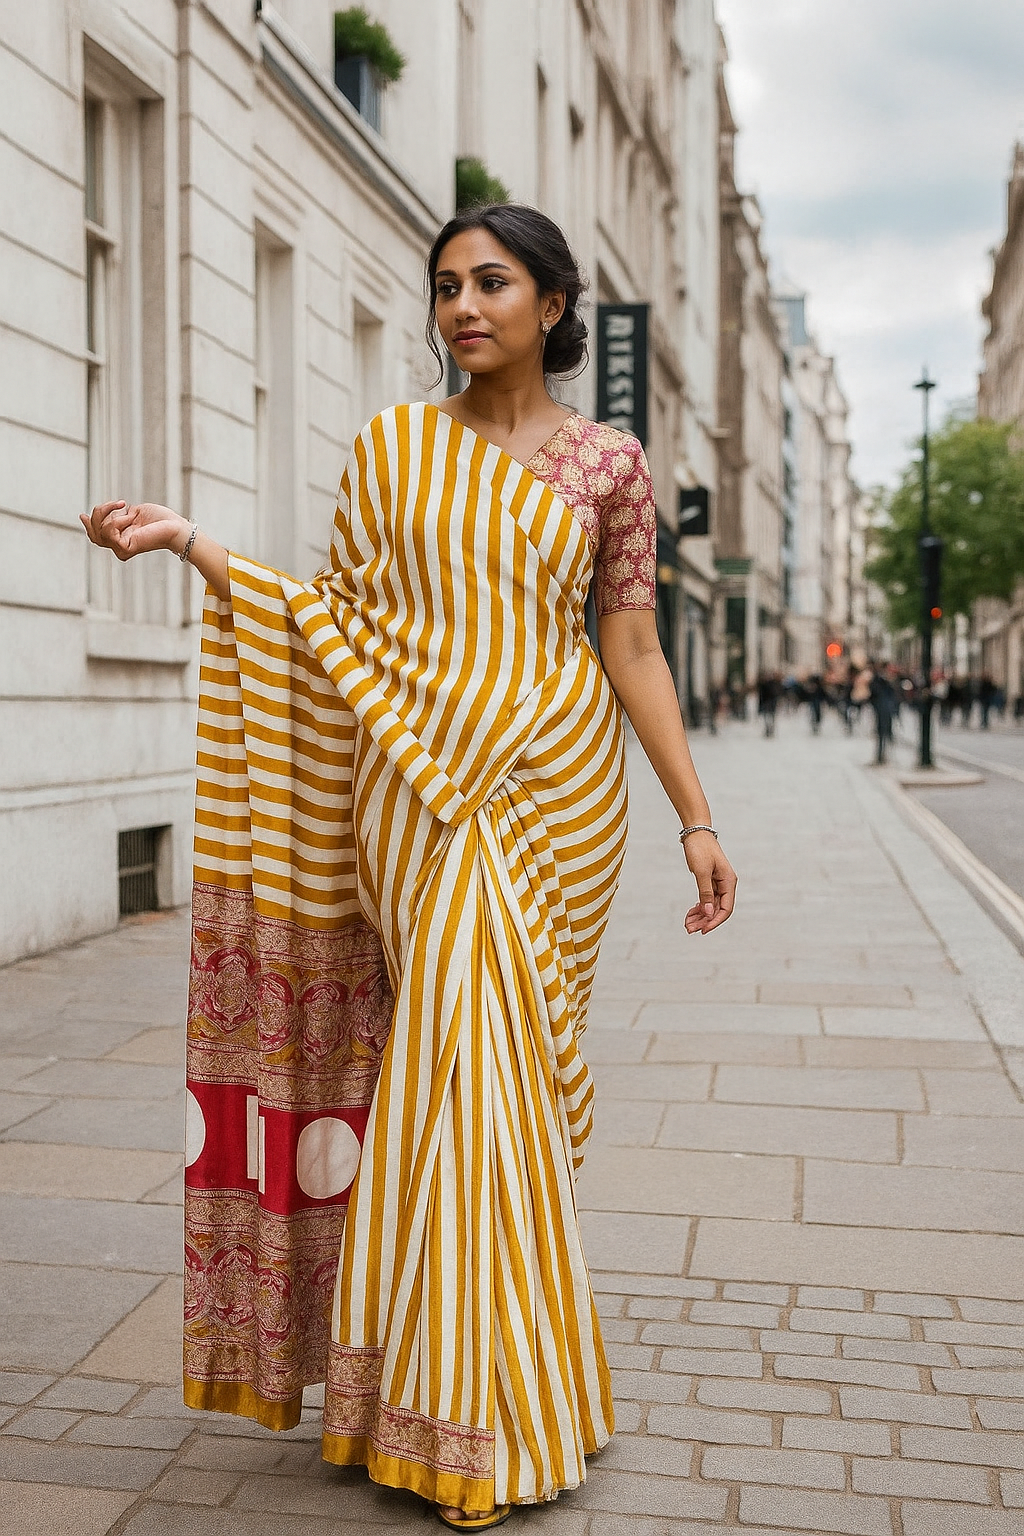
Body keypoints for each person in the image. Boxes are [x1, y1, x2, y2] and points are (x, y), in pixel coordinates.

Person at [82, 204, 737, 1532]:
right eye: (446, 286)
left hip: (559, 805)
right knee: (446, 1086)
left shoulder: (611, 467)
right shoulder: (392, 450)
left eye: (491, 283)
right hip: (423, 806)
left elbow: (633, 650)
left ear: (555, 307)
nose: (462, 307)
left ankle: (496, 1394)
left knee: (492, 1100)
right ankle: (467, 1413)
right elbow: (337, 626)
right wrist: (198, 543)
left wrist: (697, 817)